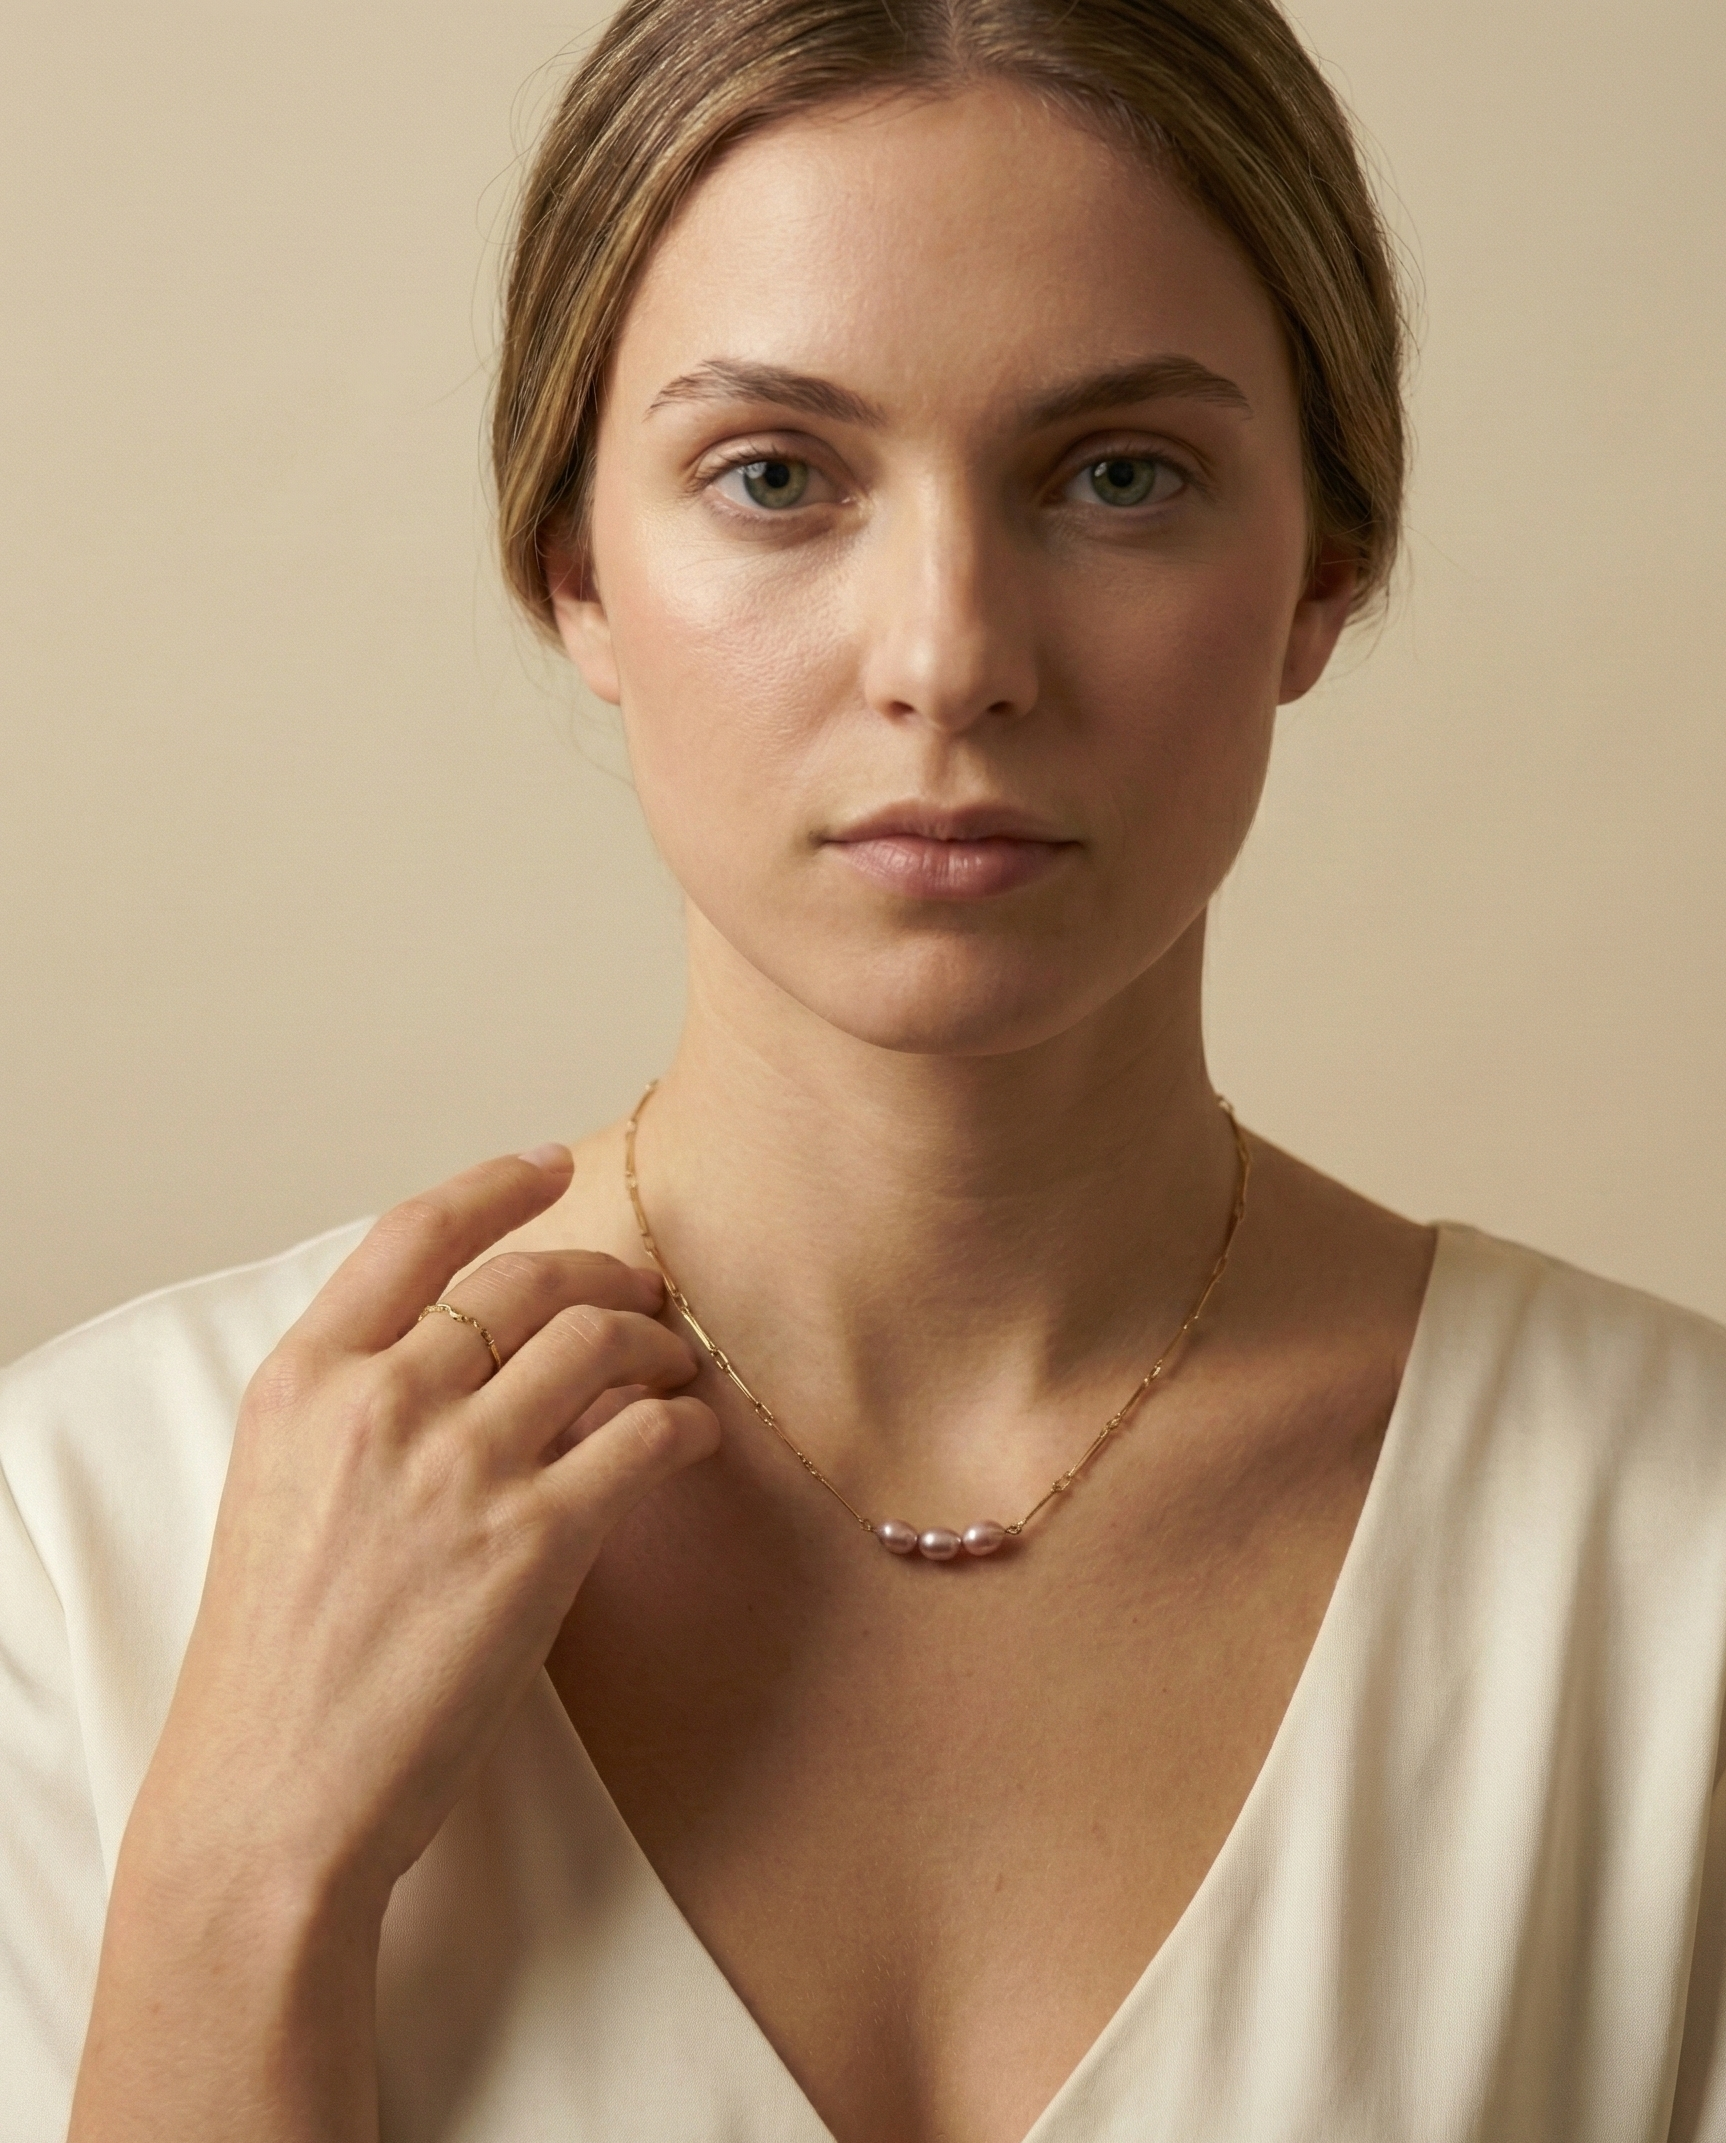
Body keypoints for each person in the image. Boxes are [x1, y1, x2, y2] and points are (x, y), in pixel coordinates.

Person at [4, 0, 1724, 2136]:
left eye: (1116, 475)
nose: (946, 658)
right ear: (573, 569)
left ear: (1324, 567)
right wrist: (239, 1886)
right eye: (775, 477)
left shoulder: (1673, 1551)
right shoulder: (95, 1533)